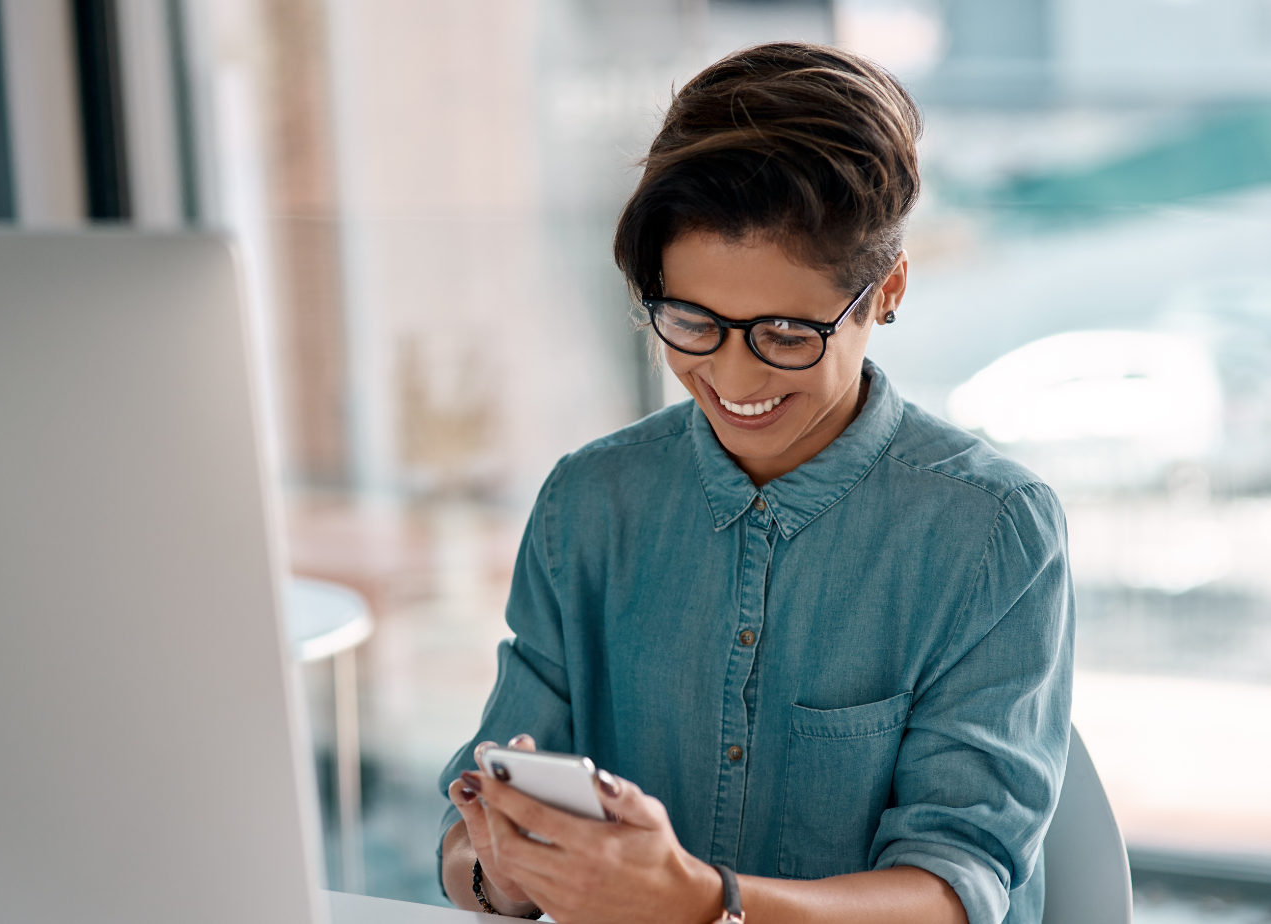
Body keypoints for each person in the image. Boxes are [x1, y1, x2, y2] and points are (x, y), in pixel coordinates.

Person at [437, 42, 1073, 924]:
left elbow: (957, 891)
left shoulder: (990, 531)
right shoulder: (589, 505)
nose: (734, 377)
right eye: (691, 321)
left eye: (783, 332)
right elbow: (472, 824)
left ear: (885, 291)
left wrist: (703, 903)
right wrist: (502, 871)